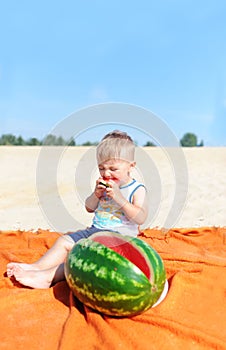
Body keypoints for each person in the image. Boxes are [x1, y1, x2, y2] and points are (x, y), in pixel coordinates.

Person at [7, 130, 148, 289]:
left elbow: (140, 217)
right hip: (95, 230)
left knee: (83, 256)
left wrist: (120, 198)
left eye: (113, 169)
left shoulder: (136, 189)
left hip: (118, 240)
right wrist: (96, 195)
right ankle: (37, 267)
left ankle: (48, 277)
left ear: (131, 166)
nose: (106, 173)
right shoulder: (103, 185)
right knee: (64, 241)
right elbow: (89, 207)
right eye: (101, 168)